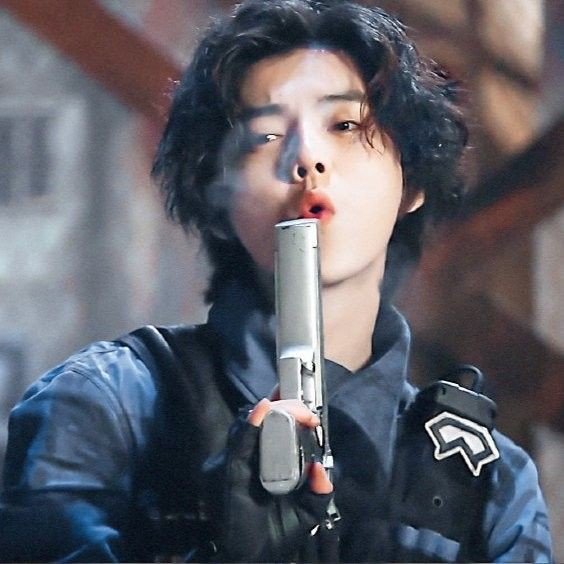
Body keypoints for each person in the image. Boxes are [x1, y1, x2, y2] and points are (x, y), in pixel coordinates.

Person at [0, 0, 553, 562]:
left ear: (411, 183)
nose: (306, 157)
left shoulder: (488, 480)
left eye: (344, 125)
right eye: (263, 135)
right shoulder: (109, 403)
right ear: (216, 196)